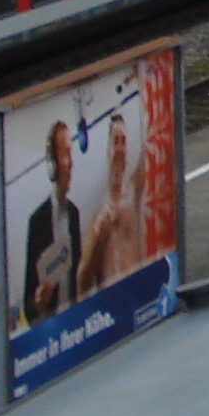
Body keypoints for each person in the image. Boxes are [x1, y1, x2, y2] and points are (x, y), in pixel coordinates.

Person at [74, 119, 147, 299]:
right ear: (107, 152)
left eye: (123, 141)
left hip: (137, 293)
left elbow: (148, 149)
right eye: (115, 142)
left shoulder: (132, 193)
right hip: (113, 302)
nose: (120, 149)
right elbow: (82, 280)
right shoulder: (99, 219)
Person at [19, 120, 83, 326]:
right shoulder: (38, 222)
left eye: (71, 154)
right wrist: (39, 305)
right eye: (65, 155)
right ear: (52, 165)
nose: (71, 162)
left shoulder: (74, 214)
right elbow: (28, 306)